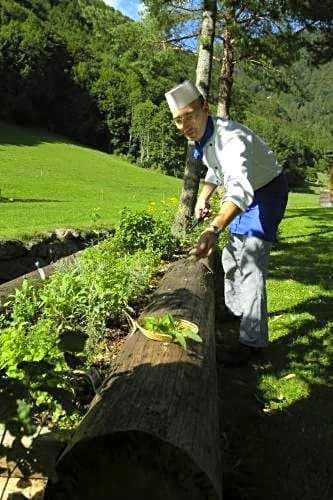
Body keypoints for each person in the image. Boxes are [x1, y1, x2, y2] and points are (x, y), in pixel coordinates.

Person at [165, 80, 289, 365]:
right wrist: (203, 198)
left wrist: (213, 227)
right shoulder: (204, 136)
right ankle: (236, 311)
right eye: (178, 120)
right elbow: (214, 169)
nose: (185, 125)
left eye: (189, 116)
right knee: (232, 256)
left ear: (205, 108)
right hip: (245, 193)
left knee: (251, 263)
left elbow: (240, 190)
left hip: (267, 192)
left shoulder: (230, 139)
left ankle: (253, 342)